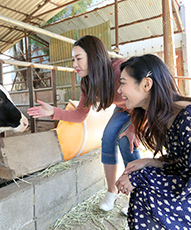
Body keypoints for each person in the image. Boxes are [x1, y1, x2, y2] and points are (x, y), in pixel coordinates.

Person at [27, 35, 141, 212]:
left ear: (94, 56)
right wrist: (53, 112)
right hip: (123, 108)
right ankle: (112, 191)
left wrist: (135, 128)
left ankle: (138, 196)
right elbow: (80, 115)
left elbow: (146, 99)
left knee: (127, 142)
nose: (74, 64)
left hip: (142, 109)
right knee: (108, 138)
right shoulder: (88, 82)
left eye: (78, 58)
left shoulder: (120, 71)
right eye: (73, 59)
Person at [115, 54, 191, 229]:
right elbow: (182, 164)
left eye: (123, 82)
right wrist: (150, 162)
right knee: (143, 193)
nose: (119, 90)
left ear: (146, 84)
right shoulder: (169, 117)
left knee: (145, 195)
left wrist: (140, 177)